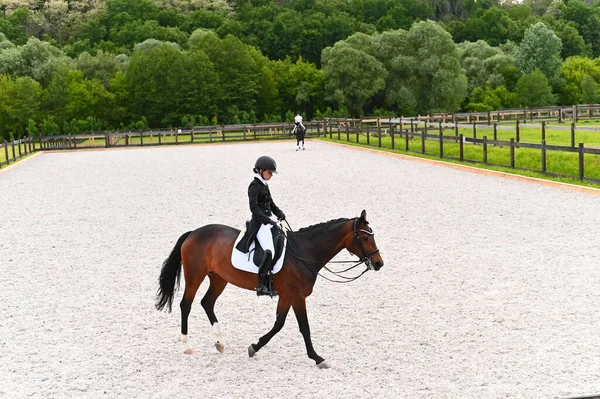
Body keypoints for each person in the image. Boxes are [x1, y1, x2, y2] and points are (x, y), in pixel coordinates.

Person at [235, 156, 286, 297]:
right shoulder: (254, 186)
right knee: (269, 250)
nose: (271, 175)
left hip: (267, 221)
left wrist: (278, 212)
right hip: (259, 223)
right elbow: (254, 208)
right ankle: (261, 284)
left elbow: (270, 203)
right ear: (261, 170)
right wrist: (266, 220)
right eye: (269, 172)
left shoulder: (264, 184)